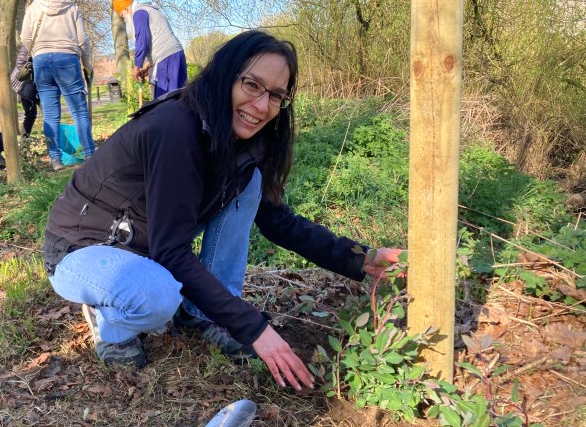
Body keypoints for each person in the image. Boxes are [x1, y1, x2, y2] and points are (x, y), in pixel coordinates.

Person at [43, 30, 402, 391]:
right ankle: (112, 326)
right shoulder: (175, 129)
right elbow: (172, 251)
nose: (262, 106)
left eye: (276, 95)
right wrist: (254, 328)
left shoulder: (241, 140)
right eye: (251, 85)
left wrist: (359, 257)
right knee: (157, 295)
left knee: (251, 185)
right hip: (83, 248)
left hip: (147, 246)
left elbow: (277, 221)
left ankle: (201, 314)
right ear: (224, 77)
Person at [21, 0, 95, 172]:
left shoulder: (33, 8)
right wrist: (86, 64)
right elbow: (83, 40)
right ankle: (90, 155)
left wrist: (36, 51)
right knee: (79, 111)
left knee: (51, 115)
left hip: (41, 61)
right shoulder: (72, 8)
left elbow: (25, 37)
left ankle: (55, 160)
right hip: (67, 59)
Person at [112, 0, 187, 100]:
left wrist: (137, 66)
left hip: (167, 59)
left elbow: (142, 41)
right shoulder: (148, 10)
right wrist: (147, 65)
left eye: (122, 16)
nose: (124, 20)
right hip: (175, 55)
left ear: (127, 9)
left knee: (164, 103)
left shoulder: (139, 13)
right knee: (180, 100)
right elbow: (154, 38)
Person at [10, 44, 40, 138]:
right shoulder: (29, 42)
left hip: (35, 85)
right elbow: (20, 63)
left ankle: (25, 140)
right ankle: (24, 141)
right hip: (26, 85)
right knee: (31, 113)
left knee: (33, 114)